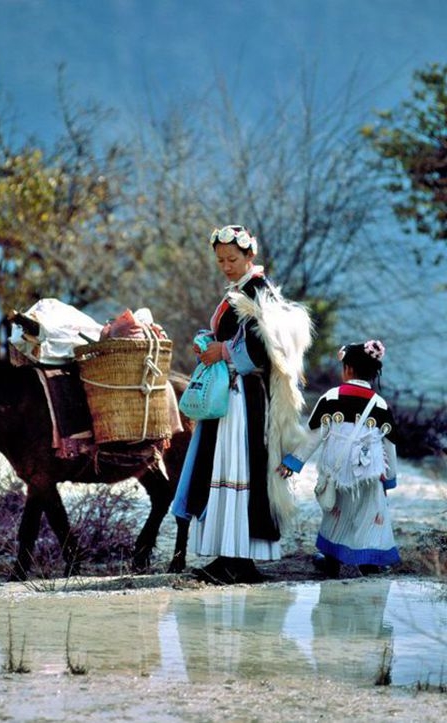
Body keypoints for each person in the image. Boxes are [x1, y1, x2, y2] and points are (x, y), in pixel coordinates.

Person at [171, 225, 312, 584]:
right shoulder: (241, 290)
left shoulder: (260, 292)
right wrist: (209, 343)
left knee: (239, 468)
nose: (226, 266)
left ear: (250, 255)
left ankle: (240, 558)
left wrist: (224, 351)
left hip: (245, 400)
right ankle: (228, 554)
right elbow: (235, 336)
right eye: (220, 260)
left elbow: (268, 347)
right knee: (223, 466)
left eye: (232, 259)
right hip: (231, 396)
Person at [277, 340, 400, 578]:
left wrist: (293, 462)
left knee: (336, 514)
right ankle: (369, 564)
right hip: (369, 474)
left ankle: (331, 561)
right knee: (368, 514)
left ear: (348, 369)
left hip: (338, 471)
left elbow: (313, 435)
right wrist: (390, 477)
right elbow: (389, 445)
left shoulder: (331, 397)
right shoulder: (380, 405)